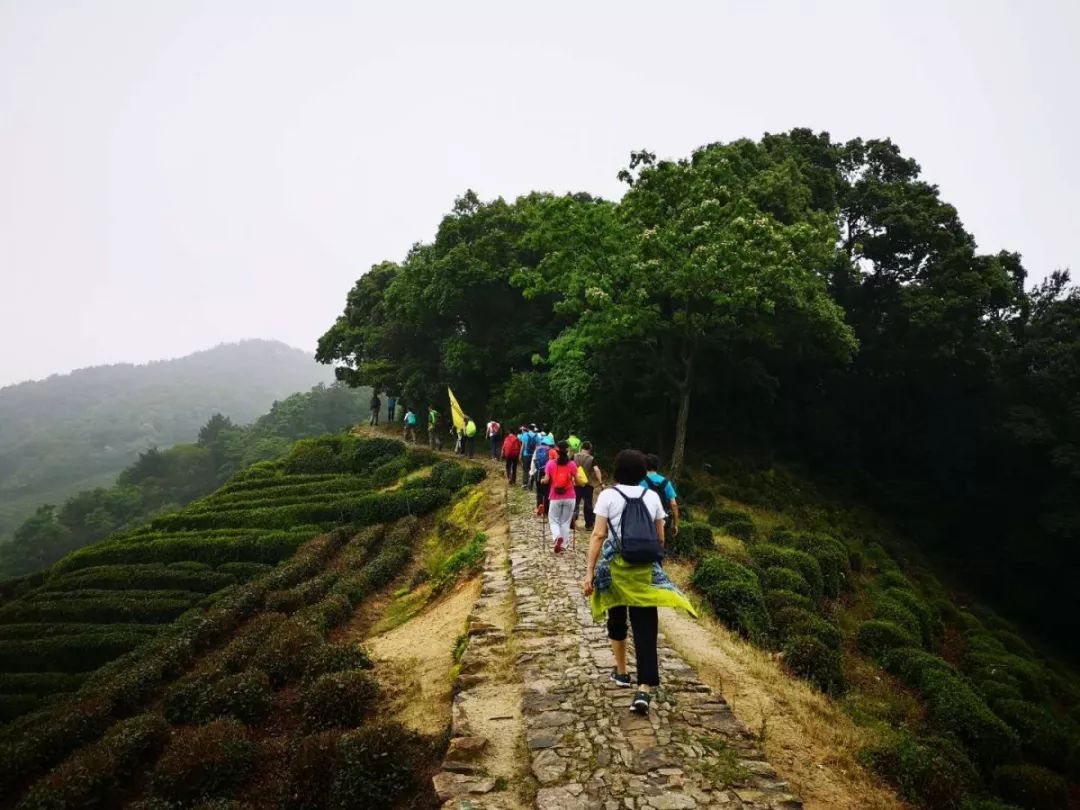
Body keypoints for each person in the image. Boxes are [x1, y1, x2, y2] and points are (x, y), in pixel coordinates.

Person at [582, 449, 696, 714]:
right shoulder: (653, 496)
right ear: (643, 473)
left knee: (617, 618)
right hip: (644, 572)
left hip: (617, 571)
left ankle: (621, 672)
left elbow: (599, 536)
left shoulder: (609, 495)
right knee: (645, 628)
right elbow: (660, 538)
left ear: (618, 471)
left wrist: (589, 572)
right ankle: (643, 689)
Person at [543, 440, 578, 554]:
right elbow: (577, 480)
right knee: (565, 522)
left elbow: (547, 480)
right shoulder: (572, 464)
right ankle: (563, 545)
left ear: (556, 451)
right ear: (567, 451)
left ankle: (557, 537)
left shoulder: (551, 464)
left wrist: (543, 481)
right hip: (570, 496)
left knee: (553, 520)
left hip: (555, 496)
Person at [640, 454, 679, 538]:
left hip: (642, 518)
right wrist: (675, 524)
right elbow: (673, 504)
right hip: (661, 519)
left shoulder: (640, 481)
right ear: (657, 466)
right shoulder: (666, 482)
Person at [573, 441, 603, 531]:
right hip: (587, 484)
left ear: (581, 447)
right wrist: (600, 482)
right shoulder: (591, 458)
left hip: (576, 483)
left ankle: (573, 522)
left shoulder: (574, 456)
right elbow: (596, 470)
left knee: (575, 503)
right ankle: (589, 525)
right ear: (590, 449)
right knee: (588, 504)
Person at [532, 437, 551, 514]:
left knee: (539, 491)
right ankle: (546, 509)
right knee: (546, 491)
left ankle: (539, 507)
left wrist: (532, 472)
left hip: (538, 472)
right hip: (547, 473)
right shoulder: (549, 450)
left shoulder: (537, 449)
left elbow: (534, 461)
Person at [520, 425, 538, 490]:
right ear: (533, 429)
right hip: (533, 455)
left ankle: (525, 484)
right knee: (532, 469)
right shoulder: (536, 436)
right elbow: (538, 446)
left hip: (526, 455)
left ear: (528, 429)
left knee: (525, 470)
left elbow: (523, 446)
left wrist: (520, 454)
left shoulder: (525, 435)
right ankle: (531, 485)